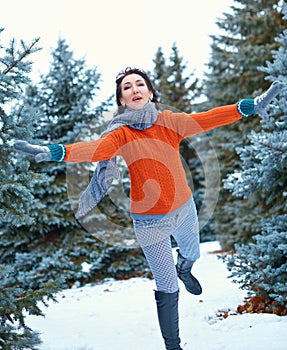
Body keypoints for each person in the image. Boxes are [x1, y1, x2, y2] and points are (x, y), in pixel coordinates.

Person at [14, 67, 284, 350]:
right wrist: (57, 152)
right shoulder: (121, 134)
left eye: (139, 84)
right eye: (127, 87)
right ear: (122, 100)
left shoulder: (169, 122)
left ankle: (185, 267)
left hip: (184, 210)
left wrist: (250, 106)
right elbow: (96, 149)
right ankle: (173, 346)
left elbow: (206, 118)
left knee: (192, 252)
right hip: (149, 223)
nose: (134, 89)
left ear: (151, 92)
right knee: (167, 287)